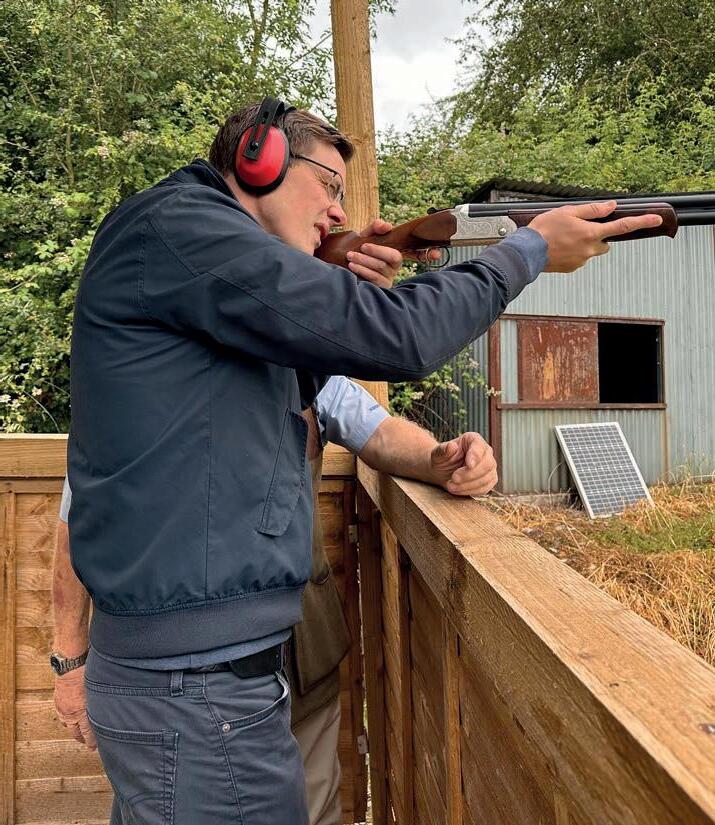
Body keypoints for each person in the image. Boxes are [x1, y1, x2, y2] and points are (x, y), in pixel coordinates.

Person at [63, 97, 662, 824]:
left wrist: (343, 285)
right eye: (328, 186)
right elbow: (400, 338)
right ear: (259, 161)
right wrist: (526, 250)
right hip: (194, 687)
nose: (338, 212)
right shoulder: (182, 228)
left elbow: (306, 388)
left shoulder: (193, 252)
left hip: (202, 680)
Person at [53, 375, 498, 825]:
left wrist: (435, 460)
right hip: (172, 683)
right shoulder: (133, 378)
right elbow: (77, 526)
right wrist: (69, 663)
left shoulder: (304, 363)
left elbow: (379, 431)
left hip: (300, 661)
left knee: (313, 806)